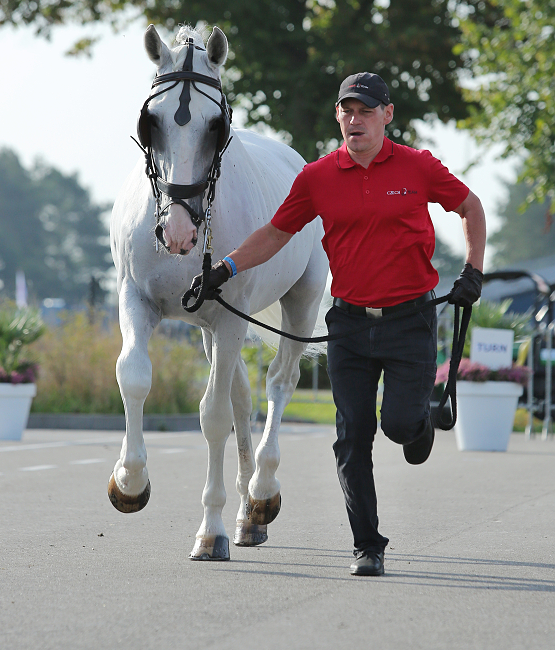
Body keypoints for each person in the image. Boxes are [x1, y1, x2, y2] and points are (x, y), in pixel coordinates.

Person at [190, 72, 486, 577]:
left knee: (397, 424)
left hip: (410, 320)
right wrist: (225, 269)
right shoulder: (318, 177)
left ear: (387, 116)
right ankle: (367, 545)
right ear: (337, 117)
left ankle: (416, 428)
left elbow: (470, 206)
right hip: (348, 324)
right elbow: (277, 233)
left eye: (366, 111)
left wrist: (473, 271)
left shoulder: (418, 167)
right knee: (352, 438)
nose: (355, 119)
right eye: (347, 111)